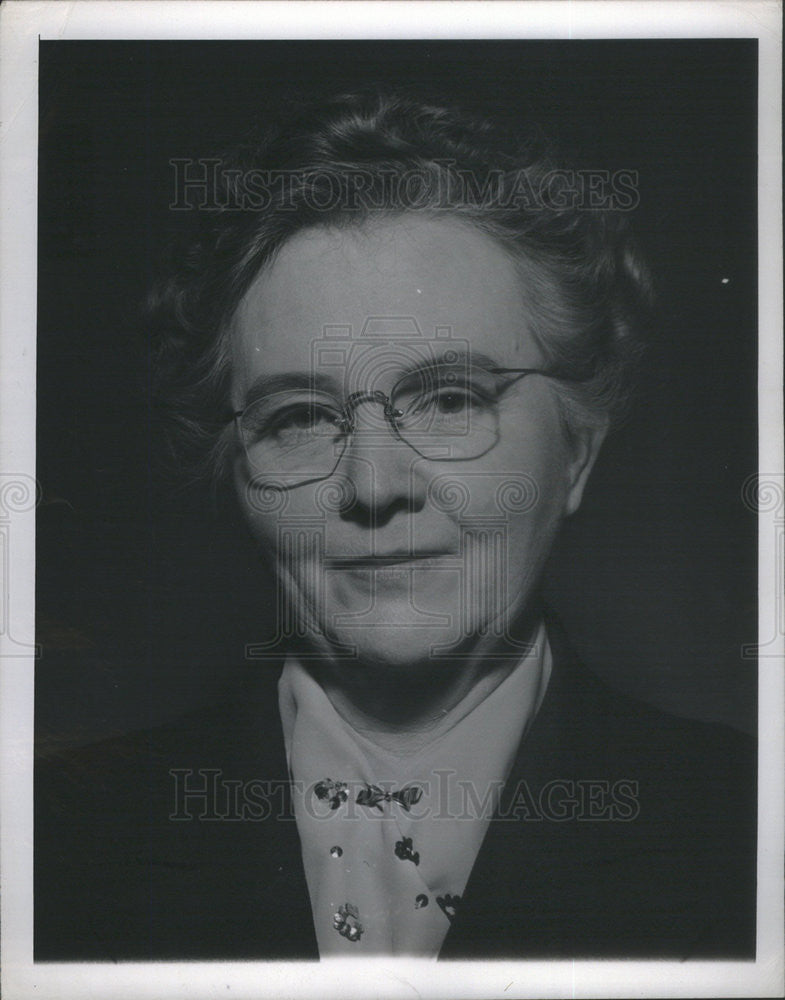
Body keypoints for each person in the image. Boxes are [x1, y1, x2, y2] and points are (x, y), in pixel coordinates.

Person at [35, 92, 756, 961]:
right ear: (233, 470)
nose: (373, 486)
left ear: (577, 450)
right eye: (297, 417)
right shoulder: (56, 840)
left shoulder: (746, 825)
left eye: (450, 399)